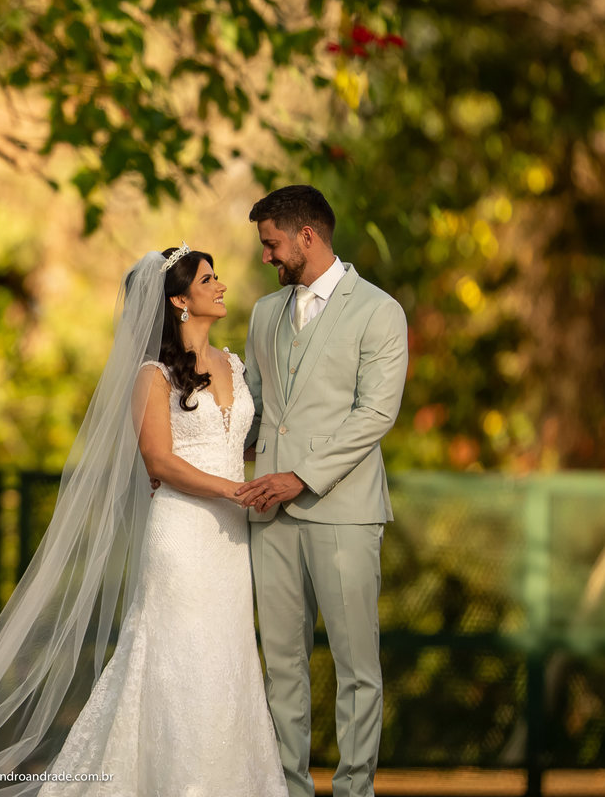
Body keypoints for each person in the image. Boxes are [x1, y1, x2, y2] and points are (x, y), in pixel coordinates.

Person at [0, 247, 286, 796]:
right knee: (183, 656)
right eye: (208, 279)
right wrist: (233, 489)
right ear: (179, 300)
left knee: (229, 658)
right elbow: (159, 460)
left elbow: (235, 442)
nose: (220, 286)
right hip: (182, 536)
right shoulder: (151, 376)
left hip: (230, 542)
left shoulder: (234, 365)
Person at [235, 185, 409, 797]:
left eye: (271, 244)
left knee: (356, 665)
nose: (266, 257)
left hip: (344, 510)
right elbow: (255, 410)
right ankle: (289, 786)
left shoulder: (380, 311)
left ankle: (355, 789)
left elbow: (375, 414)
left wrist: (301, 477)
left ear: (306, 236)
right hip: (269, 513)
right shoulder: (264, 313)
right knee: (281, 663)